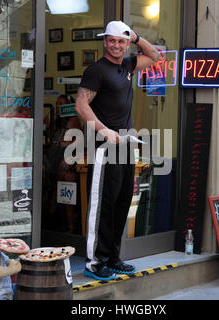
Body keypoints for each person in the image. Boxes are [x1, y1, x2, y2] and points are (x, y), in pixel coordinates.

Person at [75, 21, 163, 281]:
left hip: (126, 145)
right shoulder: (96, 71)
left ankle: (112, 257)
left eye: (121, 41)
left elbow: (155, 55)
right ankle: (93, 262)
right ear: (104, 41)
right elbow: (81, 106)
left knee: (122, 202)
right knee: (101, 206)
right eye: (112, 40)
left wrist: (135, 36)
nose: (116, 45)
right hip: (105, 146)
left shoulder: (126, 66)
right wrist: (104, 130)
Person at [43, 95, 82, 233]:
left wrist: (68, 159)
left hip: (67, 161)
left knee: (65, 179)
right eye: (57, 103)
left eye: (62, 104)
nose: (58, 106)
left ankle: (70, 223)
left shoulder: (73, 121)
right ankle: (55, 218)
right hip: (52, 161)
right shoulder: (55, 121)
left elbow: (80, 144)